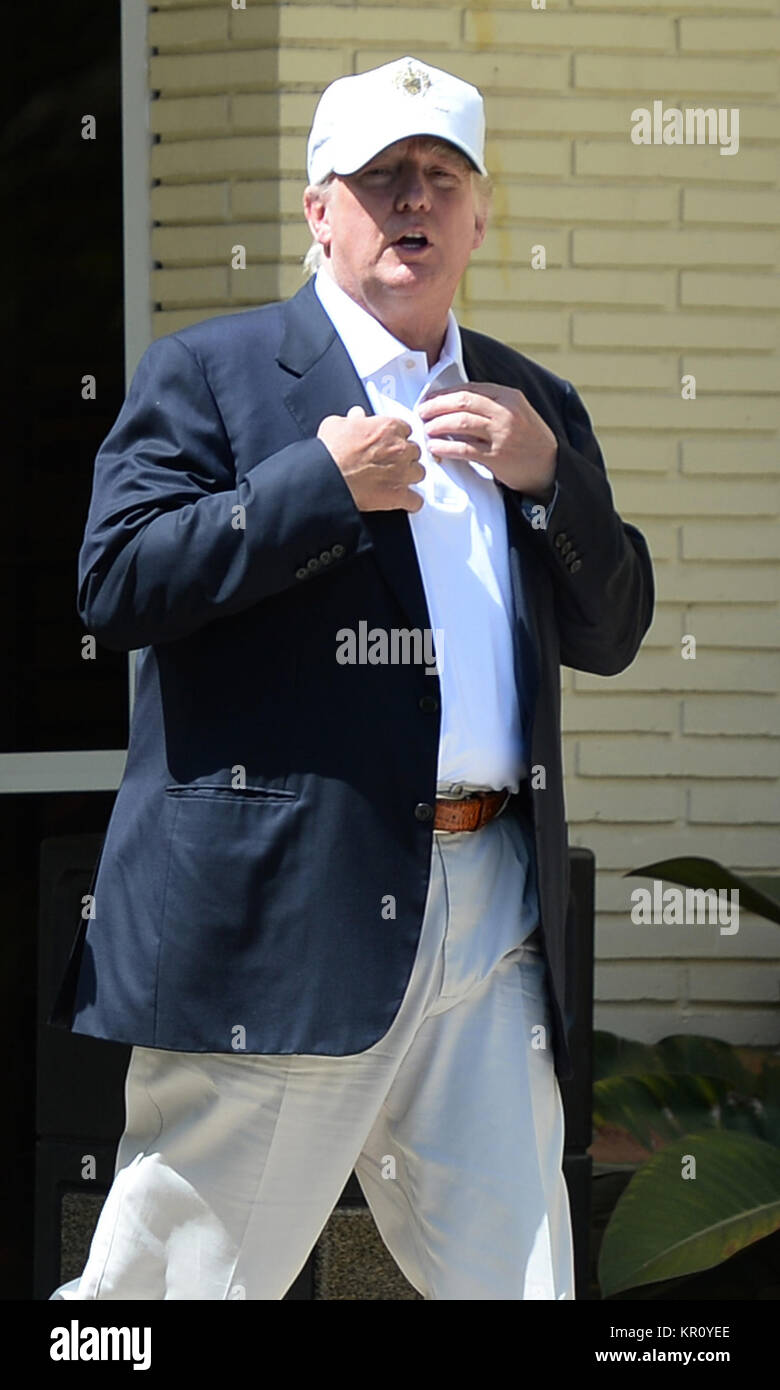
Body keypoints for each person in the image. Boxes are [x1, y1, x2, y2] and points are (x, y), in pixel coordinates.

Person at [48, 55, 654, 1301]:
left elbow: (616, 626)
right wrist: (311, 487)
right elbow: (114, 584)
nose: (414, 202)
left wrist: (555, 485)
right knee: (177, 1292)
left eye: (442, 177)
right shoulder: (212, 374)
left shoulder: (532, 404)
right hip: (289, 911)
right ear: (319, 209)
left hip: (494, 914)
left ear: (481, 217)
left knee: (525, 1282)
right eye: (381, 178)